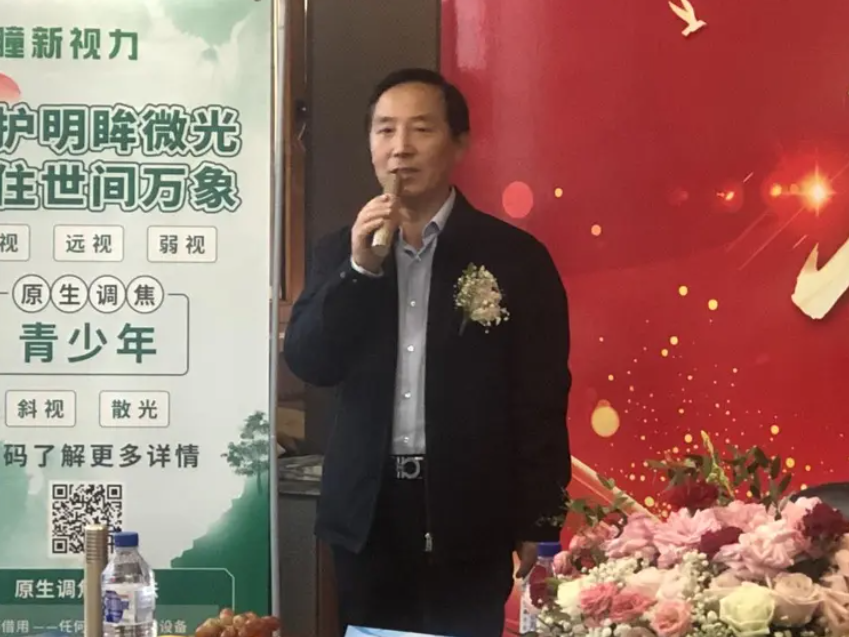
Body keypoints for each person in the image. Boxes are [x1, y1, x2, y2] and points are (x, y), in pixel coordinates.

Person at [283, 68, 572, 637]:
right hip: (368, 514)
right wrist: (359, 270)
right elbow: (310, 361)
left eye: (420, 129)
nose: (400, 148)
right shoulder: (340, 252)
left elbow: (540, 398)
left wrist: (540, 520)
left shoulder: (513, 258)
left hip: (472, 510)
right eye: (384, 130)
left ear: (459, 144)